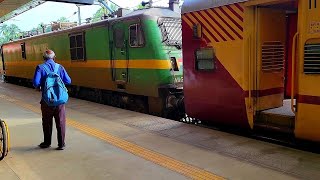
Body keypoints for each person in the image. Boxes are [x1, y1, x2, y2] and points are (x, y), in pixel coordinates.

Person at [33, 49, 71, 150]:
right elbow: (68, 80)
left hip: (46, 101)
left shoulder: (40, 68)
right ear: (54, 58)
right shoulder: (60, 67)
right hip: (59, 101)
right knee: (61, 122)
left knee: (46, 122)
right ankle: (61, 144)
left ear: (43, 58)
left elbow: (36, 83)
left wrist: (40, 87)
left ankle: (47, 143)